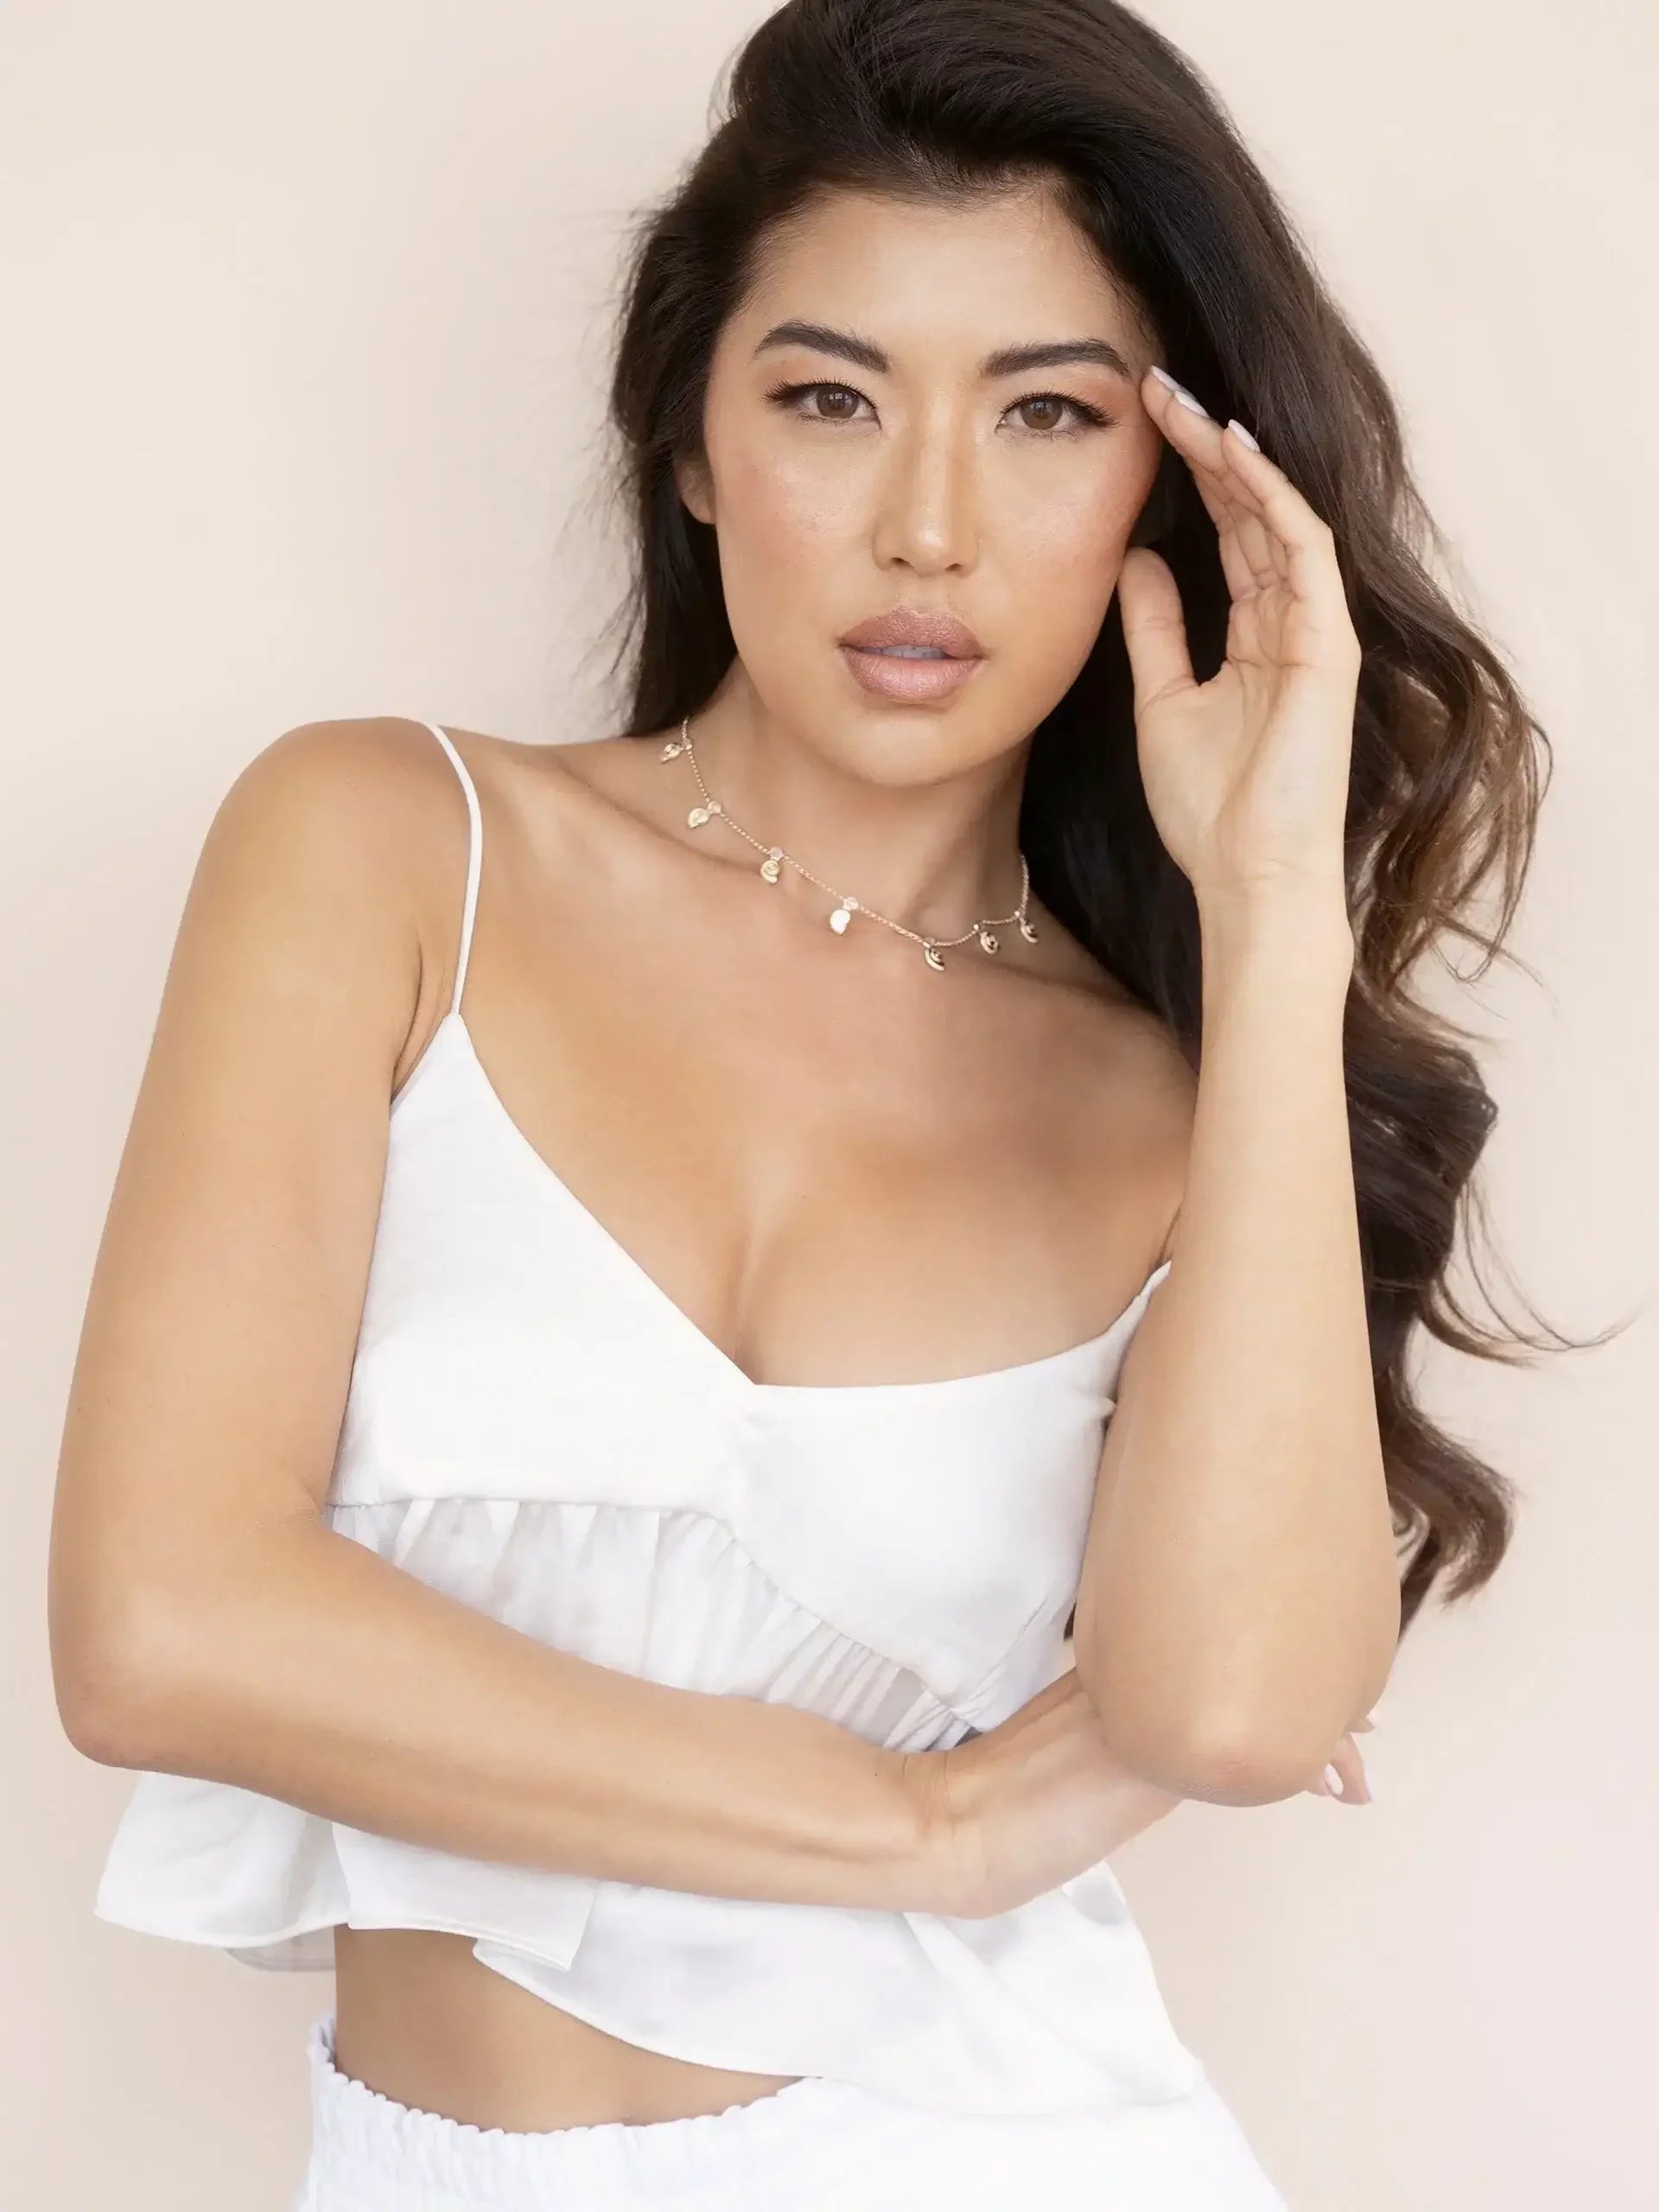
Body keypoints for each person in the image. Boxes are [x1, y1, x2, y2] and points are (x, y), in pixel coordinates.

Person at [48, 1, 1563, 2204]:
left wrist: (1266, 926)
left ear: (1170, 490)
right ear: (689, 441)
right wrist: (917, 1824)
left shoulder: (1172, 1085)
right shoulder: (389, 851)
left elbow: (1231, 1707)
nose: (928, 527)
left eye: (1048, 414)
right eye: (831, 398)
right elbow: (163, 1620)